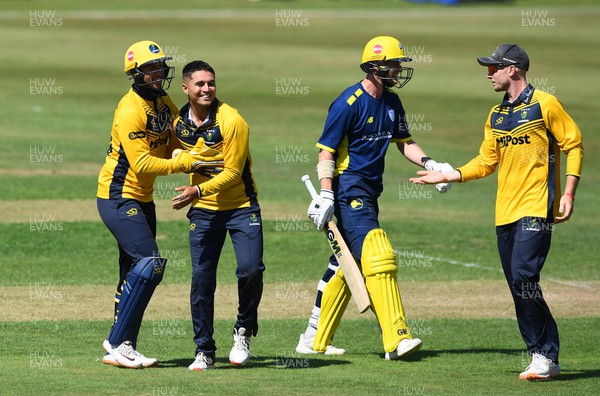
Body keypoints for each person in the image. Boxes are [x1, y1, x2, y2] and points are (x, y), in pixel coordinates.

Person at [410, 44, 583, 380]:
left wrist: (570, 193)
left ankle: (546, 355)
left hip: (536, 207)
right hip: (504, 212)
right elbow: (487, 161)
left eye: (494, 68)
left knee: (524, 277)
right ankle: (540, 354)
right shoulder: (496, 115)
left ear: (513, 69)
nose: (489, 74)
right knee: (517, 284)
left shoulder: (546, 104)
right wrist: (450, 174)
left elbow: (573, 144)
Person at [296, 36, 453, 360]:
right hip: (348, 187)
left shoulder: (392, 102)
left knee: (346, 263)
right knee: (377, 251)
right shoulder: (347, 103)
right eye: (393, 64)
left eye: (399, 64)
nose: (398, 69)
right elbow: (326, 150)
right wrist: (326, 193)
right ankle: (396, 339)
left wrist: (430, 163)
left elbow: (404, 142)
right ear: (373, 67)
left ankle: (314, 338)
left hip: (370, 190)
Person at [97, 41, 218, 369]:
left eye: (160, 67)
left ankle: (123, 347)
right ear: (135, 74)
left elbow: (174, 142)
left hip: (142, 198)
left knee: (132, 272)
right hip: (118, 195)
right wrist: (184, 163)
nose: (158, 73)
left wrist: (197, 155)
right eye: (150, 69)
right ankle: (117, 340)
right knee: (151, 264)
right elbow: (143, 165)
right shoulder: (130, 109)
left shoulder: (163, 101)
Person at [171, 60, 265, 371]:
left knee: (250, 269)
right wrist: (179, 158)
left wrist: (195, 191)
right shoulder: (177, 122)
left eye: (211, 83)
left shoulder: (232, 121)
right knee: (201, 280)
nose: (207, 88)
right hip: (205, 212)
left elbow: (234, 173)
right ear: (185, 89)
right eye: (199, 84)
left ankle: (243, 330)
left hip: (241, 206)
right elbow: (168, 152)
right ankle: (204, 351)